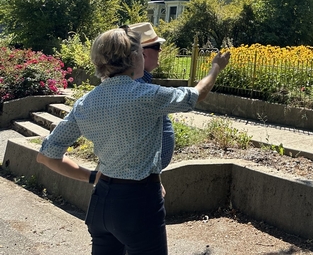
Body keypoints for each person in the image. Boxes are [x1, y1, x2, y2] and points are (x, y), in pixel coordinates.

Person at [37, 25, 230, 255]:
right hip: (139, 202)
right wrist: (216, 68)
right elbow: (198, 94)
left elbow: (46, 156)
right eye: (140, 51)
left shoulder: (85, 102)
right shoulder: (147, 95)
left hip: (101, 204)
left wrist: (92, 176)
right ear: (133, 57)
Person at [129, 22, 174, 169]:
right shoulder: (137, 89)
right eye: (156, 46)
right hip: (138, 180)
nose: (160, 50)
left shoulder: (140, 84)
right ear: (142, 53)